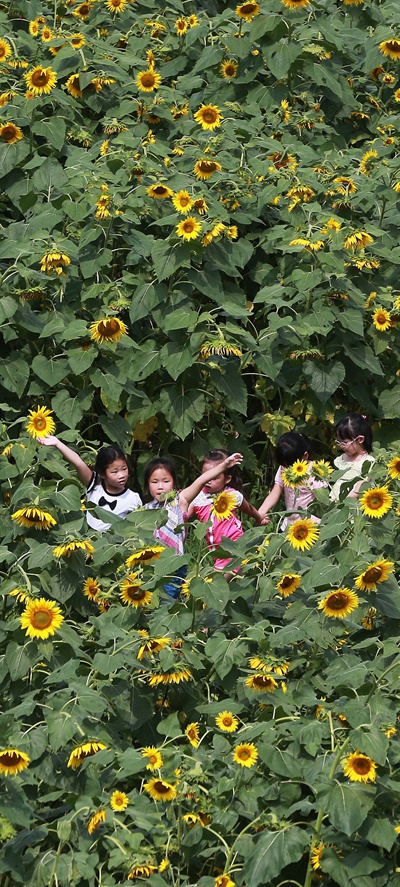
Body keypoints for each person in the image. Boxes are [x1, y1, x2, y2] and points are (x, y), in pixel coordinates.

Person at [143, 452, 244, 595]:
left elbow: (200, 481)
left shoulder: (180, 501)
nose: (160, 487)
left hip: (174, 563)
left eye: (166, 481)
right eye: (154, 482)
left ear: (174, 483)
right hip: (152, 564)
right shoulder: (146, 510)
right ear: (147, 484)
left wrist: (224, 466)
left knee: (169, 601)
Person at [37, 436, 142, 531]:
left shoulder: (132, 498)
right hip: (88, 536)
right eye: (115, 472)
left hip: (113, 542)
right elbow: (78, 462)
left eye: (124, 469)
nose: (121, 475)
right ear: (102, 474)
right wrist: (57, 443)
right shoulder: (95, 485)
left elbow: (138, 525)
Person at [187, 448, 262, 572]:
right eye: (205, 475)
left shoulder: (231, 495)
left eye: (214, 477)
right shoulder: (197, 497)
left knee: (222, 579)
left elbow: (248, 508)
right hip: (216, 552)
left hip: (234, 545)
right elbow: (184, 514)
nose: (208, 480)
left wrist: (259, 517)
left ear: (227, 479)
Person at [258, 432, 327, 528]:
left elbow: (324, 501)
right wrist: (261, 512)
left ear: (305, 456)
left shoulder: (315, 472)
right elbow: (275, 491)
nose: (287, 470)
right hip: (289, 525)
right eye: (284, 466)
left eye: (291, 466)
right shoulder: (284, 468)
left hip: (311, 526)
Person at [330, 414, 374, 501]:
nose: (341, 446)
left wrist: (342, 503)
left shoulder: (368, 463)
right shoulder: (340, 459)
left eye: (345, 442)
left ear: (360, 439)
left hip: (352, 506)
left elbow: (359, 490)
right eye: (339, 441)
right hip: (335, 503)